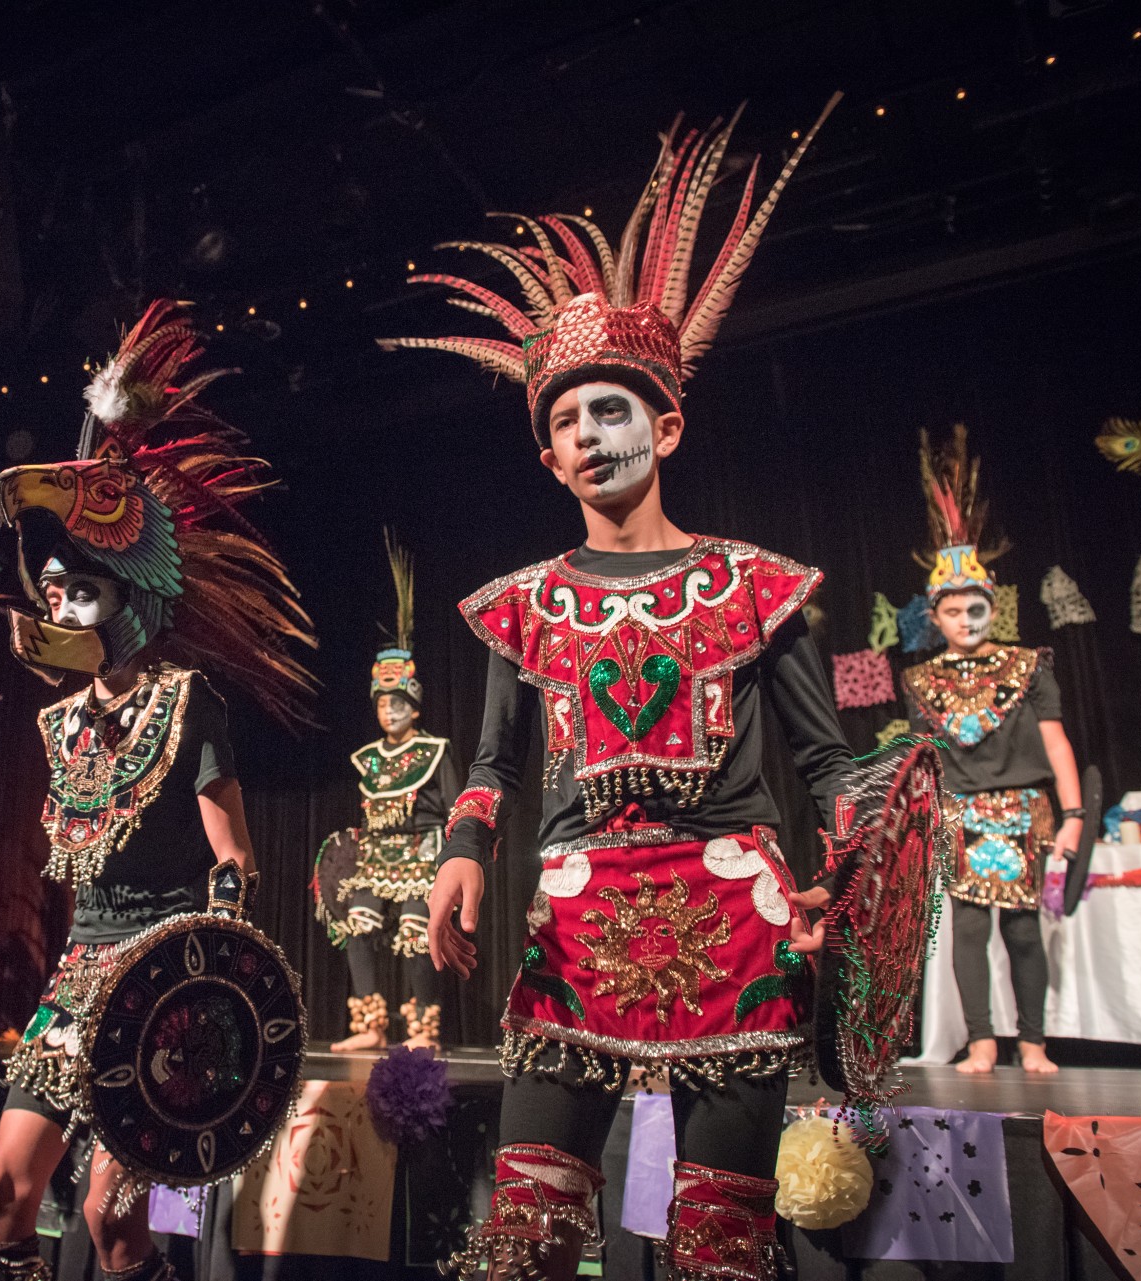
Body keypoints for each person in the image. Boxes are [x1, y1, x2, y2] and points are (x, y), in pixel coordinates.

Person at [383, 98, 857, 1278]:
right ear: (547, 458)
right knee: (531, 1235)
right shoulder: (523, 603)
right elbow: (493, 766)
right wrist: (459, 856)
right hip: (573, 925)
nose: (591, 434)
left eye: (612, 409)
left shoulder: (756, 586)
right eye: (567, 422)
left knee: (723, 1248)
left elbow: (829, 763)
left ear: (669, 424)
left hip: (737, 925)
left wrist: (851, 864)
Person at [0, 301, 315, 1281]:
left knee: (110, 1218)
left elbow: (233, 860)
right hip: (77, 976)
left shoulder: (187, 702)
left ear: (128, 600)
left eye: (82, 591)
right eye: (53, 594)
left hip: (162, 979)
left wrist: (209, 994)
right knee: (3, 1190)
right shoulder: (53, 724)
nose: (62, 607)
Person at [902, 426, 1082, 1076]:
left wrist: (1075, 815)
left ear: (991, 605)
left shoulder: (1030, 665)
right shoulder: (920, 681)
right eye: (953, 610)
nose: (967, 619)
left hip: (1024, 806)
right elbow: (922, 760)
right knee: (970, 932)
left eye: (976, 607)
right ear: (938, 616)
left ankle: (1032, 1041)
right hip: (958, 812)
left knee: (1025, 930)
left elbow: (1056, 738)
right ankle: (981, 1040)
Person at [320, 533, 458, 1051]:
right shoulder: (368, 759)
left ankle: (422, 1029)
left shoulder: (436, 751)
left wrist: (449, 863)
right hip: (377, 856)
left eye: (399, 704)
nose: (390, 711)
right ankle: (371, 1025)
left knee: (418, 929)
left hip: (423, 855)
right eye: (383, 705)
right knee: (357, 919)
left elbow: (452, 811)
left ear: (415, 707)